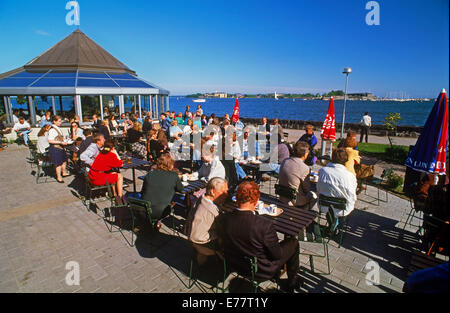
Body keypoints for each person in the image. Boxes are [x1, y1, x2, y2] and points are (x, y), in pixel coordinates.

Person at [217, 181, 302, 293]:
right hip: (261, 271)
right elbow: (277, 255)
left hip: (233, 263)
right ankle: (291, 283)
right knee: (293, 243)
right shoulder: (264, 226)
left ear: (236, 198)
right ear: (256, 201)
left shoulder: (224, 218)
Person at [137, 153, 184, 229]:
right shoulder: (174, 176)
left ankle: (151, 224)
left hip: (143, 210)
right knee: (173, 200)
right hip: (160, 212)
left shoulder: (149, 174)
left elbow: (143, 191)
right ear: (171, 165)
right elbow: (181, 190)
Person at [187, 177, 228, 250]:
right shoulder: (208, 210)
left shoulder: (202, 198)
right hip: (203, 244)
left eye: (226, 191)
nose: (226, 194)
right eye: (223, 192)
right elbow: (195, 237)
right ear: (212, 192)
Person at [317, 148, 357, 217]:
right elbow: (352, 196)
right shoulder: (350, 176)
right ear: (346, 160)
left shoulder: (323, 171)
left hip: (323, 206)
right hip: (342, 210)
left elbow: (318, 189)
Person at [278, 141, 317, 209]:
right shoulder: (305, 168)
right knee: (314, 195)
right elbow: (306, 189)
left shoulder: (285, 161)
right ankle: (304, 213)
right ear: (306, 154)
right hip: (294, 200)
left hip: (282, 197)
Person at [88, 140, 125, 205]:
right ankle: (120, 196)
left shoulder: (101, 153)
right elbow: (120, 164)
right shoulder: (111, 155)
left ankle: (114, 194)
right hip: (98, 179)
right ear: (113, 148)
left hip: (92, 176)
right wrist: (115, 153)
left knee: (113, 173)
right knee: (120, 176)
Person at [47, 115, 70, 183]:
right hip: (56, 148)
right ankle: (59, 177)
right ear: (54, 121)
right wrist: (60, 142)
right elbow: (50, 140)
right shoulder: (52, 130)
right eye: (59, 121)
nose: (61, 122)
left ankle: (64, 172)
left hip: (60, 147)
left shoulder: (57, 128)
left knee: (64, 160)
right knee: (58, 163)